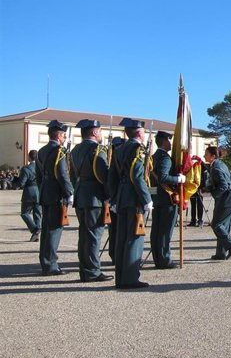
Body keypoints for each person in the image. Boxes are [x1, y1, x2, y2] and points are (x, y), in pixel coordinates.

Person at [108, 118, 152, 289]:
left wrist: (113, 198)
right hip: (134, 198)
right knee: (134, 239)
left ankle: (120, 278)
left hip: (121, 197)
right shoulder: (138, 149)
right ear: (139, 133)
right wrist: (146, 199)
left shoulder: (119, 149)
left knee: (121, 239)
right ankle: (130, 278)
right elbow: (137, 177)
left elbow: (112, 176)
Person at [70, 119, 113, 282]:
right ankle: (92, 272)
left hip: (81, 195)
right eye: (100, 131)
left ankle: (85, 270)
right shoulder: (97, 150)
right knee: (94, 235)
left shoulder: (76, 150)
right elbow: (104, 176)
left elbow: (73, 175)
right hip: (95, 197)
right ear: (94, 132)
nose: (101, 134)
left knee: (84, 236)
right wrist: (110, 196)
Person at [35, 120, 74, 275]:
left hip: (45, 192)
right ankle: (51, 264)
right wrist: (69, 192)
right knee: (54, 229)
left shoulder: (41, 151)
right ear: (59, 136)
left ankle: (45, 261)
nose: (64, 138)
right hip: (56, 194)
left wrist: (43, 189)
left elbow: (39, 176)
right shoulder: (59, 151)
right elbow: (63, 175)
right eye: (63, 135)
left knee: (46, 229)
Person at [150, 131, 186, 269]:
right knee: (165, 231)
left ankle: (157, 258)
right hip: (166, 198)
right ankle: (164, 260)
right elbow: (163, 177)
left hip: (157, 198)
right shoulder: (165, 158)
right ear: (164, 141)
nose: (171, 143)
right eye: (169, 140)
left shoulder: (154, 157)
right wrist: (178, 179)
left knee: (156, 230)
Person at [204, 146, 231, 260]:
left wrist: (213, 193)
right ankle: (221, 253)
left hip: (227, 199)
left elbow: (223, 185)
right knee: (224, 226)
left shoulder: (216, 168)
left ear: (213, 156)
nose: (204, 156)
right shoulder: (221, 164)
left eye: (206, 154)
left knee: (216, 224)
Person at [13, 149, 41, 242]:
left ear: (29, 157)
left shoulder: (26, 168)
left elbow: (21, 183)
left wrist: (15, 181)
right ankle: (36, 234)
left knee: (25, 213)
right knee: (37, 214)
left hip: (29, 192)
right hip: (39, 191)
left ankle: (34, 229)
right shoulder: (41, 167)